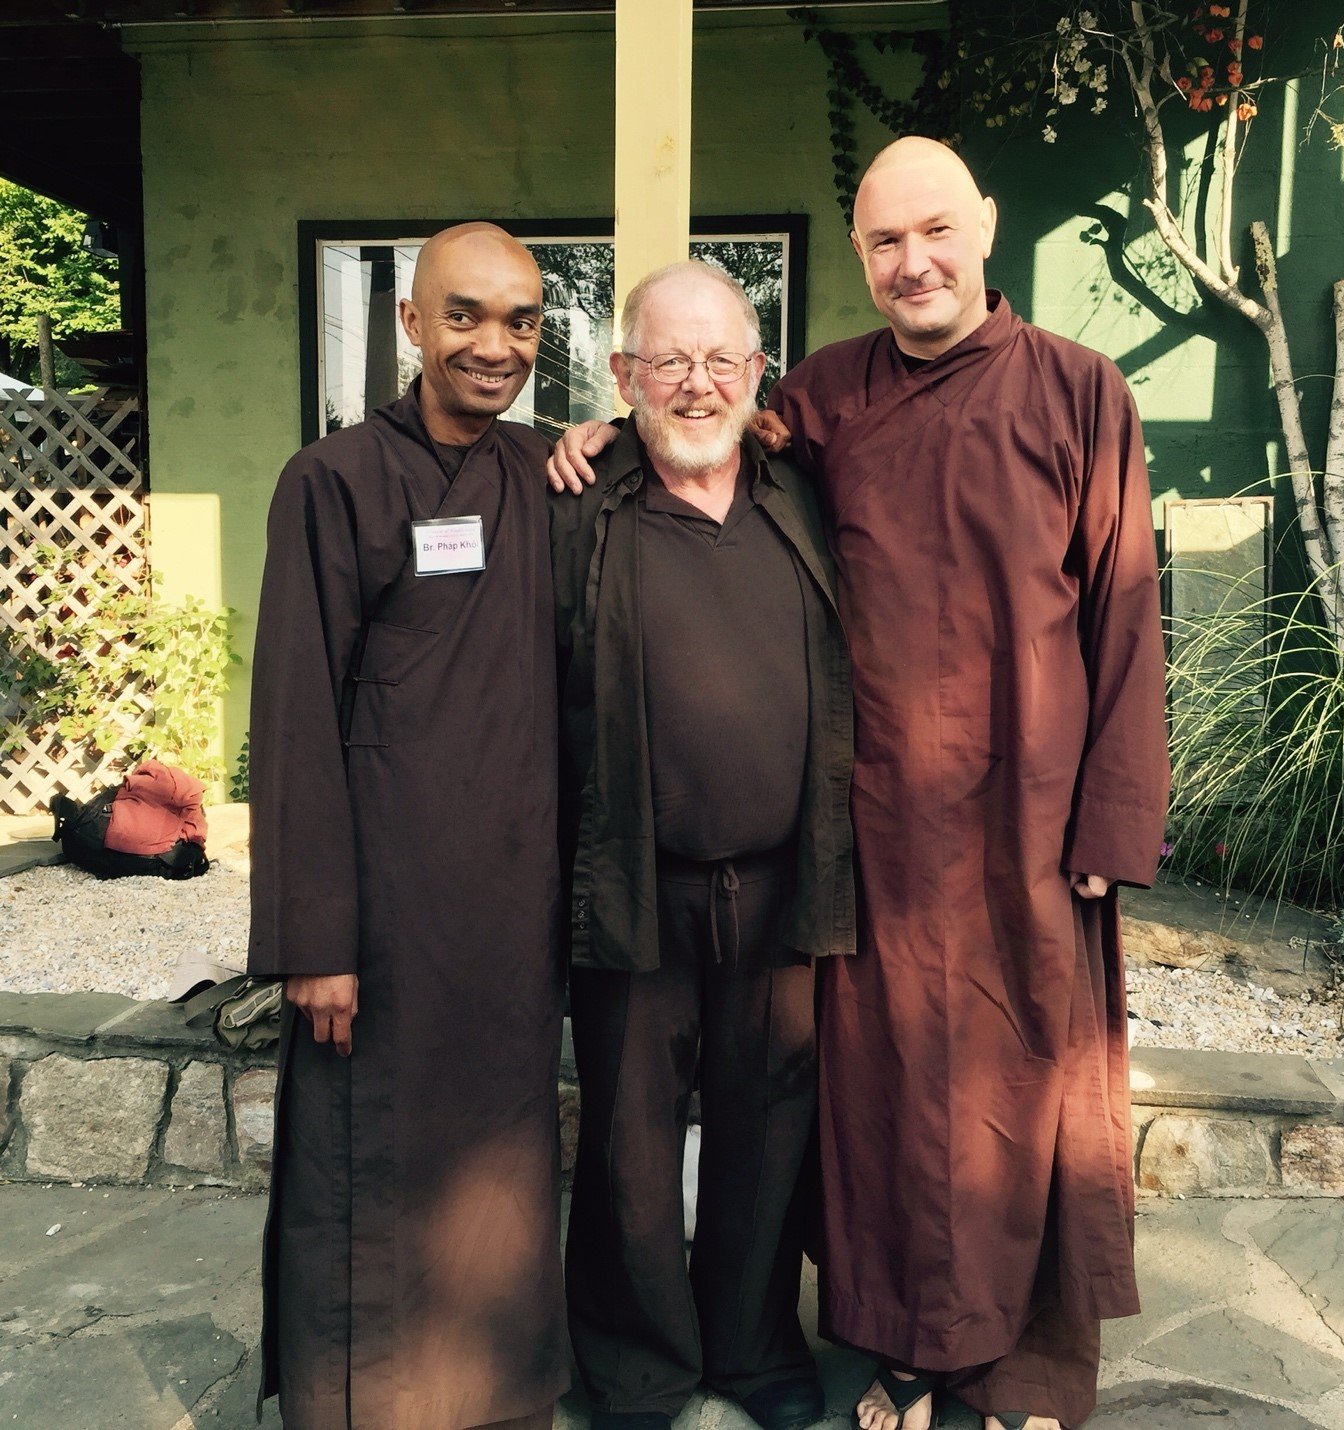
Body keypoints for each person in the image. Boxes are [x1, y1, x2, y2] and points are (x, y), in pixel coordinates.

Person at [548, 139, 1171, 1430]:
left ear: (985, 226)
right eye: (884, 243)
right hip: (873, 824)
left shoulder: (1079, 391)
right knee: (889, 1099)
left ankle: (1015, 1369)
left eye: (933, 230)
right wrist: (604, 430)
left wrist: (1112, 813)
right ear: (859, 260)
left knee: (1023, 1095)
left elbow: (1124, 608)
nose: (913, 262)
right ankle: (901, 1345)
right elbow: (703, 430)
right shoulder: (825, 394)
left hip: (1030, 818)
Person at [248, 223, 566, 1430]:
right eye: (468, 314)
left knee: (496, 1161)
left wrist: (749, 422)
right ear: (411, 324)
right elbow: (291, 724)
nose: (496, 344)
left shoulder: (543, 475)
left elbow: (675, 457)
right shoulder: (330, 480)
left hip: (504, 904)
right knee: (364, 1158)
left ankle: (495, 1389)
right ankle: (361, 1403)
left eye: (523, 320)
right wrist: (313, 936)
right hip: (378, 913)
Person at [550, 260, 856, 1430]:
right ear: (621, 376)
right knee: (628, 1136)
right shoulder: (574, 499)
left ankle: (753, 1342)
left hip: (785, 880)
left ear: (755, 369)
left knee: (769, 1121)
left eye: (719, 358)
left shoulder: (801, 489)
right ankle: (636, 1362)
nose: (695, 383)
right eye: (666, 361)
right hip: (633, 881)